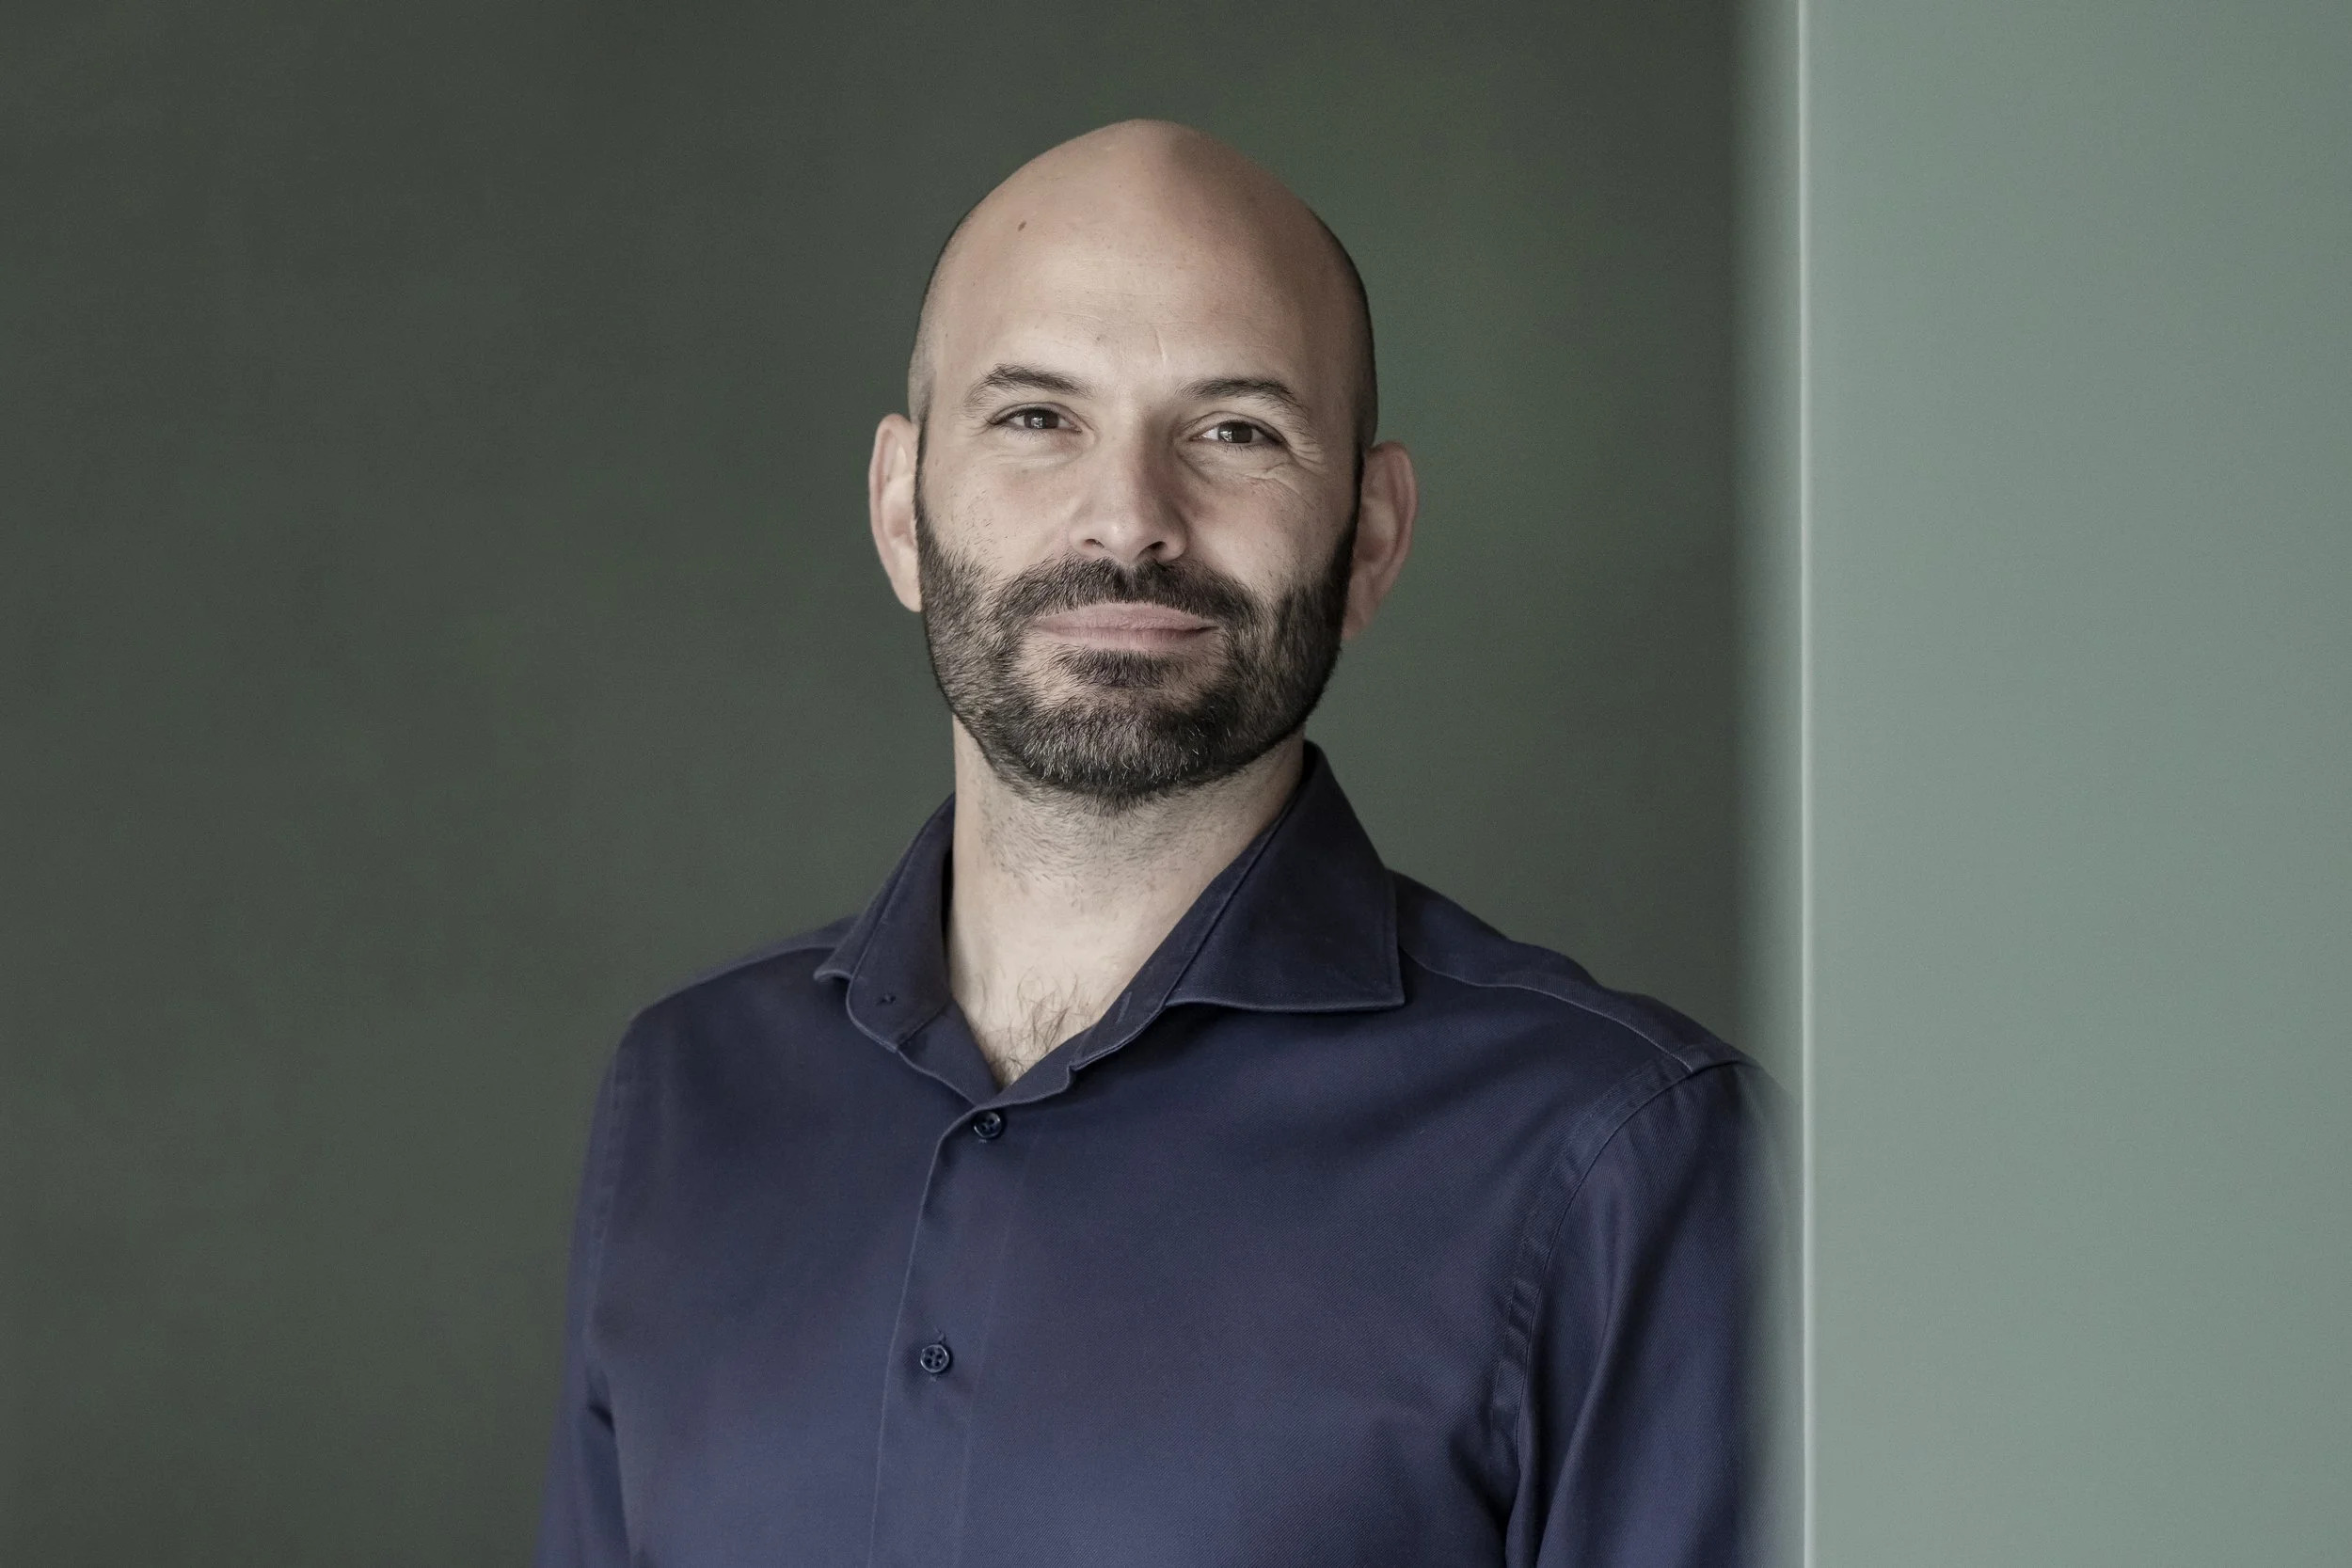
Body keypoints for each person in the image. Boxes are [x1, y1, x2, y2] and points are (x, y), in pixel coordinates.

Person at [534, 119, 1776, 1568]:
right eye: (1035, 418)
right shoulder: (688, 1100)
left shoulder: (1622, 1156)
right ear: (899, 509)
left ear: (1371, 535)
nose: (1127, 520)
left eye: (1235, 430)